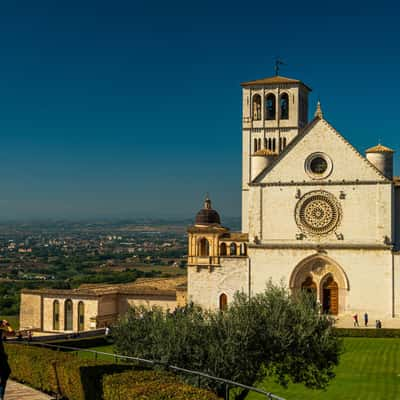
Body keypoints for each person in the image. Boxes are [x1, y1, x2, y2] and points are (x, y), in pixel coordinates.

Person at [0, 319, 15, 400]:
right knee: (6, 373)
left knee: (5, 373)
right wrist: (8, 325)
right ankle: (1, 396)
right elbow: (13, 333)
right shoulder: (1, 332)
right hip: (0, 358)